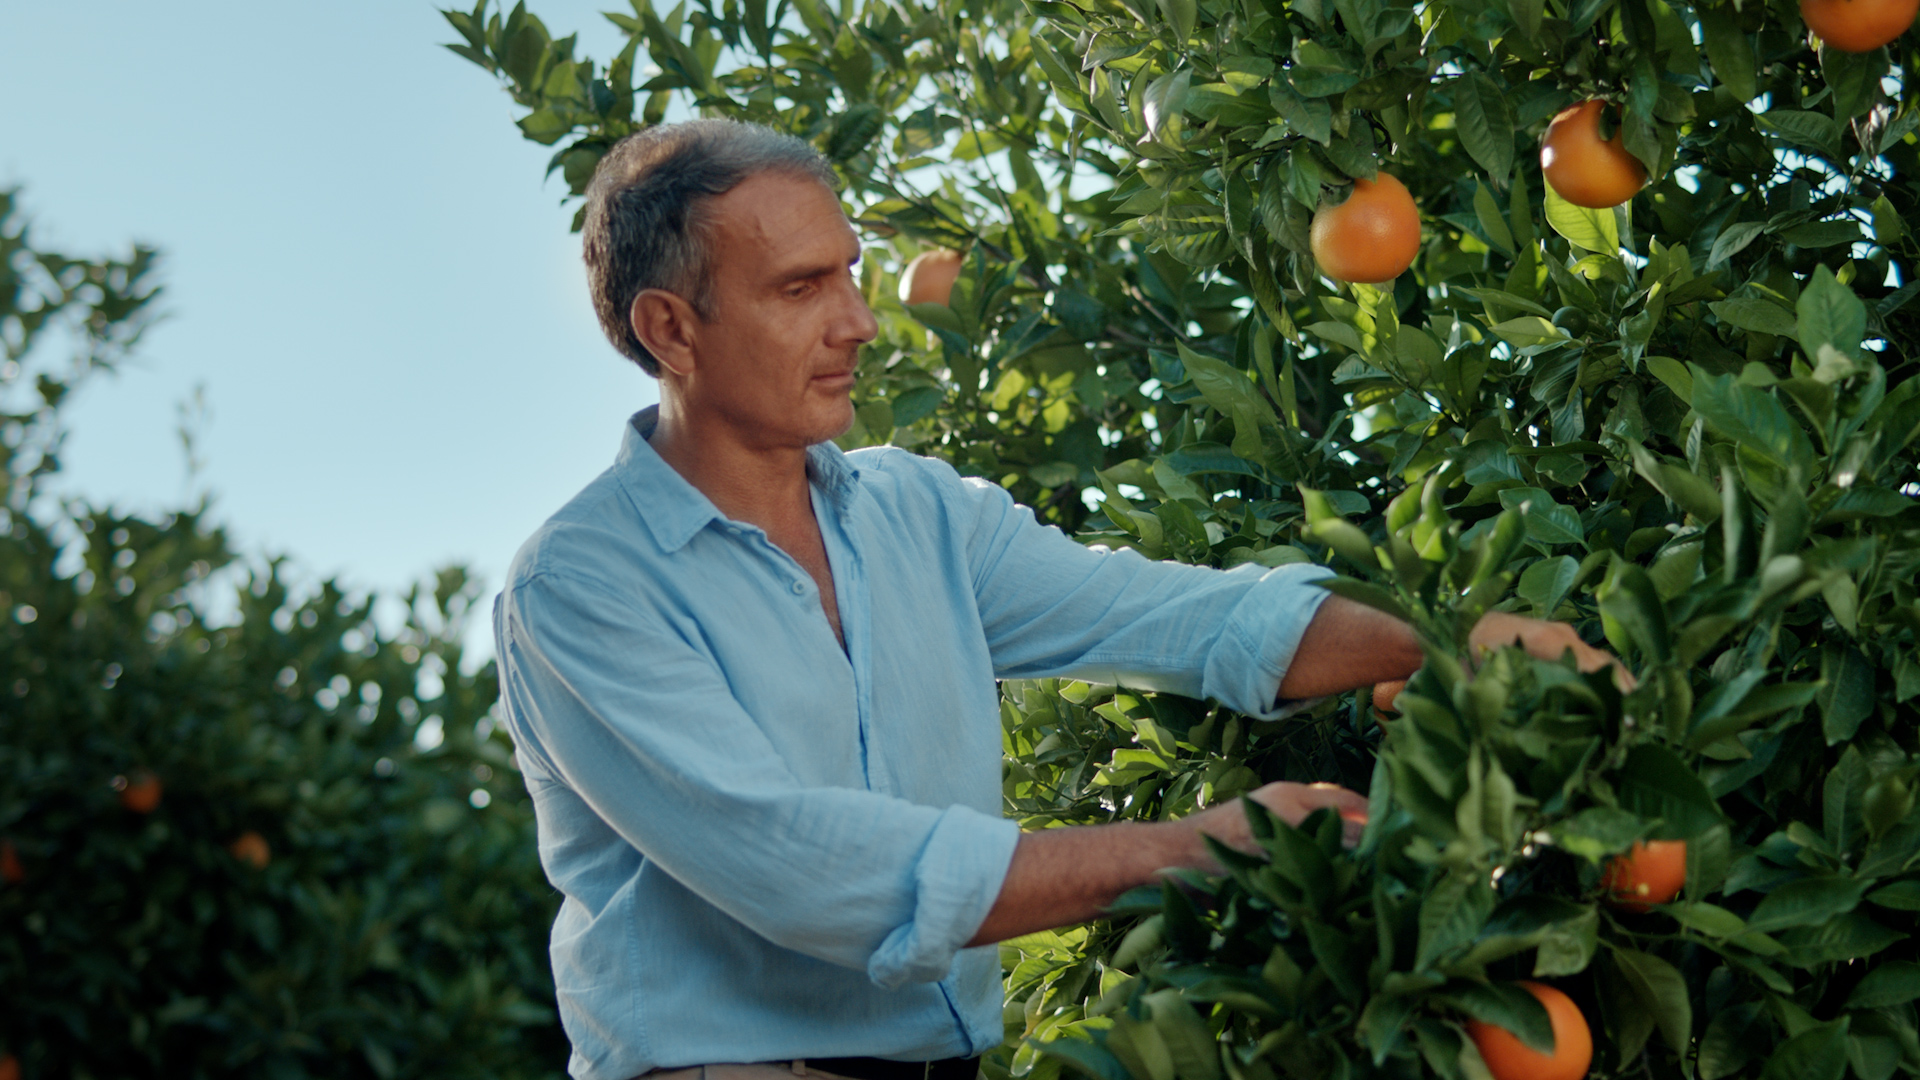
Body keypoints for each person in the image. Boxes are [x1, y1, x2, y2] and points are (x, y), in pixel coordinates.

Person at [491, 119, 1623, 1080]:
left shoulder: (918, 515)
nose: (861, 323)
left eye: (849, 272)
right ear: (669, 329)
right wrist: (1193, 845)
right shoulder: (584, 586)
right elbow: (805, 869)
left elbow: (1178, 617)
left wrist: (1445, 640)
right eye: (800, 288)